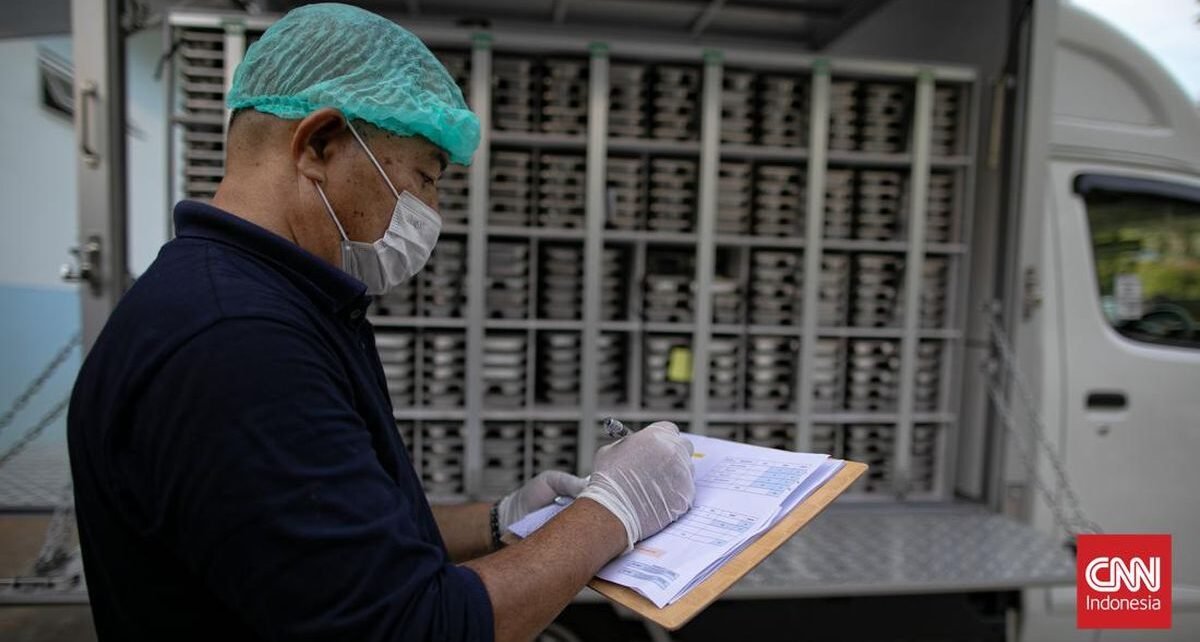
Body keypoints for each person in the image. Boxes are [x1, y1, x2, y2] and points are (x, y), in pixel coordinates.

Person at [65, 4, 696, 641]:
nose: (432, 210)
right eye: (424, 175)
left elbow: (328, 551)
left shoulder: (269, 300)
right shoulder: (236, 343)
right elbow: (412, 628)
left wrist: (498, 526)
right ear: (318, 145)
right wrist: (609, 515)